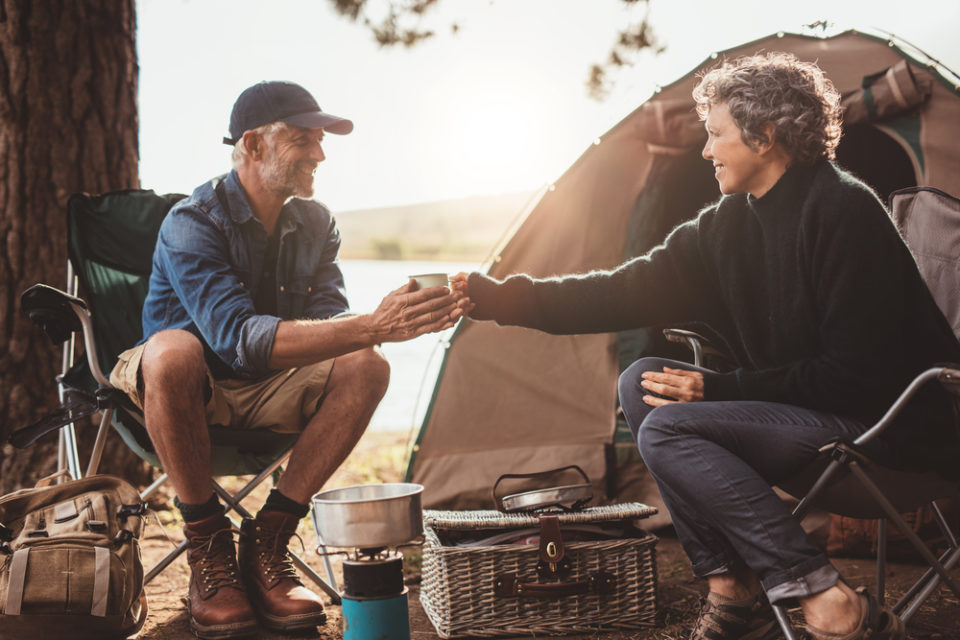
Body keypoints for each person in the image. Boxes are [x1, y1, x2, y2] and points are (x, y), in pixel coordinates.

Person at [452, 53, 960, 640]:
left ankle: (824, 594)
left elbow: (856, 374)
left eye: (716, 133)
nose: (706, 150)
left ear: (764, 136)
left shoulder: (844, 210)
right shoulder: (726, 226)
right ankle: (732, 583)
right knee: (640, 381)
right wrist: (497, 299)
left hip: (891, 435)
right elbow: (622, 290)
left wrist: (718, 388)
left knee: (668, 427)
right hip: (810, 423)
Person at [109, 81, 462, 639]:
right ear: (252, 146)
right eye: (303, 140)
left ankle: (269, 539)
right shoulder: (191, 221)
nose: (320, 154)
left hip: (270, 385)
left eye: (320, 141)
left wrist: (398, 323)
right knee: (174, 350)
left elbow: (335, 328)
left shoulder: (317, 223)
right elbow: (237, 338)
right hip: (185, 389)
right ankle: (207, 547)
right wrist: (375, 322)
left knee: (367, 364)